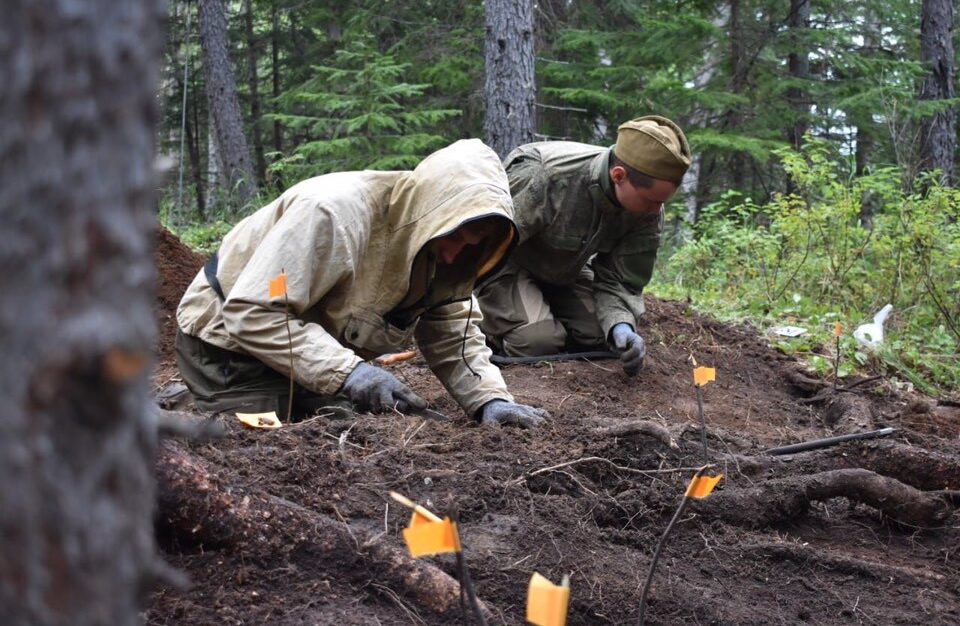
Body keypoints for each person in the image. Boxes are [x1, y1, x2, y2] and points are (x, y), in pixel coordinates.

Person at [175, 139, 547, 428]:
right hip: (229, 348)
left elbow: (454, 333)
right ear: (433, 214)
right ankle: (177, 406)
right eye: (453, 237)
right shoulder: (331, 215)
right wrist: (353, 373)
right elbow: (255, 312)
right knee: (273, 442)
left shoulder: (445, 255)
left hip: (307, 353)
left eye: (472, 245)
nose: (453, 255)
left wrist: (490, 400)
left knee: (374, 429)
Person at [475, 116, 691, 376]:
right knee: (538, 342)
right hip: (505, 263)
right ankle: (498, 326)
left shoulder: (647, 208)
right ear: (618, 175)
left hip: (565, 271)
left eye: (662, 202)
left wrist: (620, 326)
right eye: (651, 201)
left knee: (604, 336)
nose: (656, 211)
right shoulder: (545, 176)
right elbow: (482, 246)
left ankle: (542, 312)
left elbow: (621, 280)